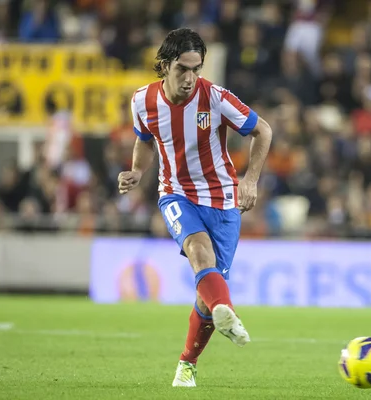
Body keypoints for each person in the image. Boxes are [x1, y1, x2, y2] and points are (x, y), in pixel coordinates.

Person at [117, 28, 272, 387]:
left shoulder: (215, 98)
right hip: (176, 194)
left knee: (207, 295)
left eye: (196, 69)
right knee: (199, 253)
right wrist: (138, 171)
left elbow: (263, 130)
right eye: (182, 69)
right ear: (164, 65)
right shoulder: (142, 101)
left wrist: (249, 181)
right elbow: (144, 140)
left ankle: (188, 361)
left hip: (223, 203)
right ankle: (227, 310)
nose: (189, 78)